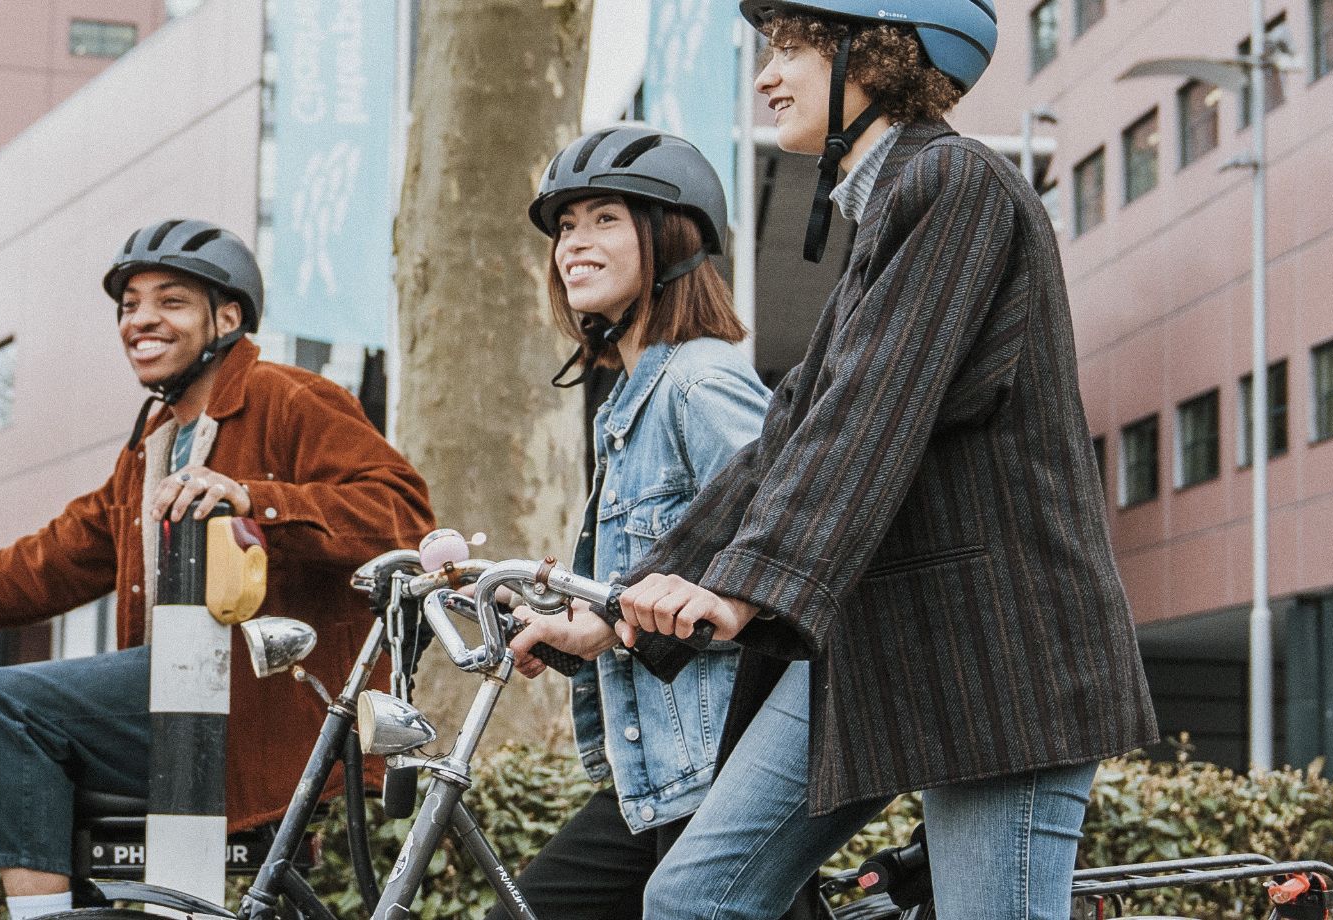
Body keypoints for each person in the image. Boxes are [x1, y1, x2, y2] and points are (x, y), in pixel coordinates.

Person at [608, 3, 1160, 920]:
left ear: (879, 53)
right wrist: (634, 601)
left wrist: (744, 588)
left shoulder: (957, 183)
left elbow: (868, 416)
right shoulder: (891, 213)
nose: (766, 75)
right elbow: (789, 437)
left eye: (791, 48)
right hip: (889, 643)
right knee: (697, 899)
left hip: (999, 659)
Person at [0, 219, 434, 920]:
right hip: (185, 701)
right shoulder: (154, 445)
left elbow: (402, 518)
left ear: (228, 317)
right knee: (25, 747)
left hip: (271, 706)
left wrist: (255, 500)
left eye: (170, 302)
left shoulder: (289, 397)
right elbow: (46, 563)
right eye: (129, 306)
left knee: (10, 702)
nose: (142, 320)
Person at [489, 125, 779, 920]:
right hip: (660, 768)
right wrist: (586, 624)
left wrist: (617, 625)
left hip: (718, 764)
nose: (573, 245)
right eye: (566, 227)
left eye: (604, 219)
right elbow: (664, 574)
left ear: (672, 236)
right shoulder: (629, 399)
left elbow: (780, 553)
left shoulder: (700, 382)